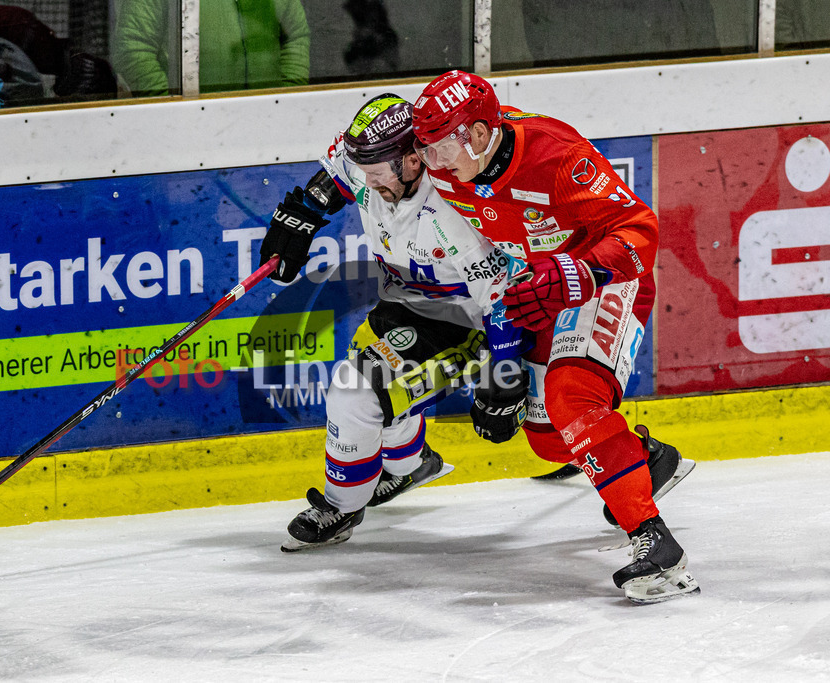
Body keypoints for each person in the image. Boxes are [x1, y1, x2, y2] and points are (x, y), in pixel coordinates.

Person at [411, 69, 698, 604]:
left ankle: (656, 546)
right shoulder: (449, 167)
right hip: (537, 289)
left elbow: (642, 232)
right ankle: (646, 459)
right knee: (548, 442)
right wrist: (504, 369)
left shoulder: (557, 155)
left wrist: (579, 273)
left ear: (477, 133)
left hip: (605, 279)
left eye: (440, 149)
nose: (433, 166)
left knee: (572, 396)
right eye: (425, 152)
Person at [259, 93, 534, 553]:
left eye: (375, 173)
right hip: (404, 305)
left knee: (355, 390)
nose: (365, 183)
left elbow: (501, 299)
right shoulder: (375, 165)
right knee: (371, 390)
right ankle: (412, 466)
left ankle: (342, 506)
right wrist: (301, 215)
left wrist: (504, 376)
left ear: (412, 161)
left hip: (465, 324)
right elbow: (337, 176)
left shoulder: (453, 211)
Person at [112, 0, 309, 96]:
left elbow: (295, 36)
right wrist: (170, 107)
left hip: (270, 122)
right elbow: (133, 48)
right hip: (190, 132)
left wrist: (288, 94)